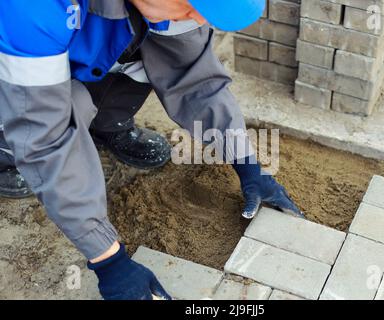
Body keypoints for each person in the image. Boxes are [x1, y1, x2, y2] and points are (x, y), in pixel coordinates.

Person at [0, 0, 303, 300]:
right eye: (190, 6)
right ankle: (7, 151)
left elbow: (194, 81)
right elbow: (44, 135)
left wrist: (248, 166)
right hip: (17, 75)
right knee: (49, 123)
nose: (196, 17)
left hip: (71, 49)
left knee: (153, 53)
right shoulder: (33, 7)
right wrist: (109, 261)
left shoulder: (183, 6)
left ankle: (106, 123)